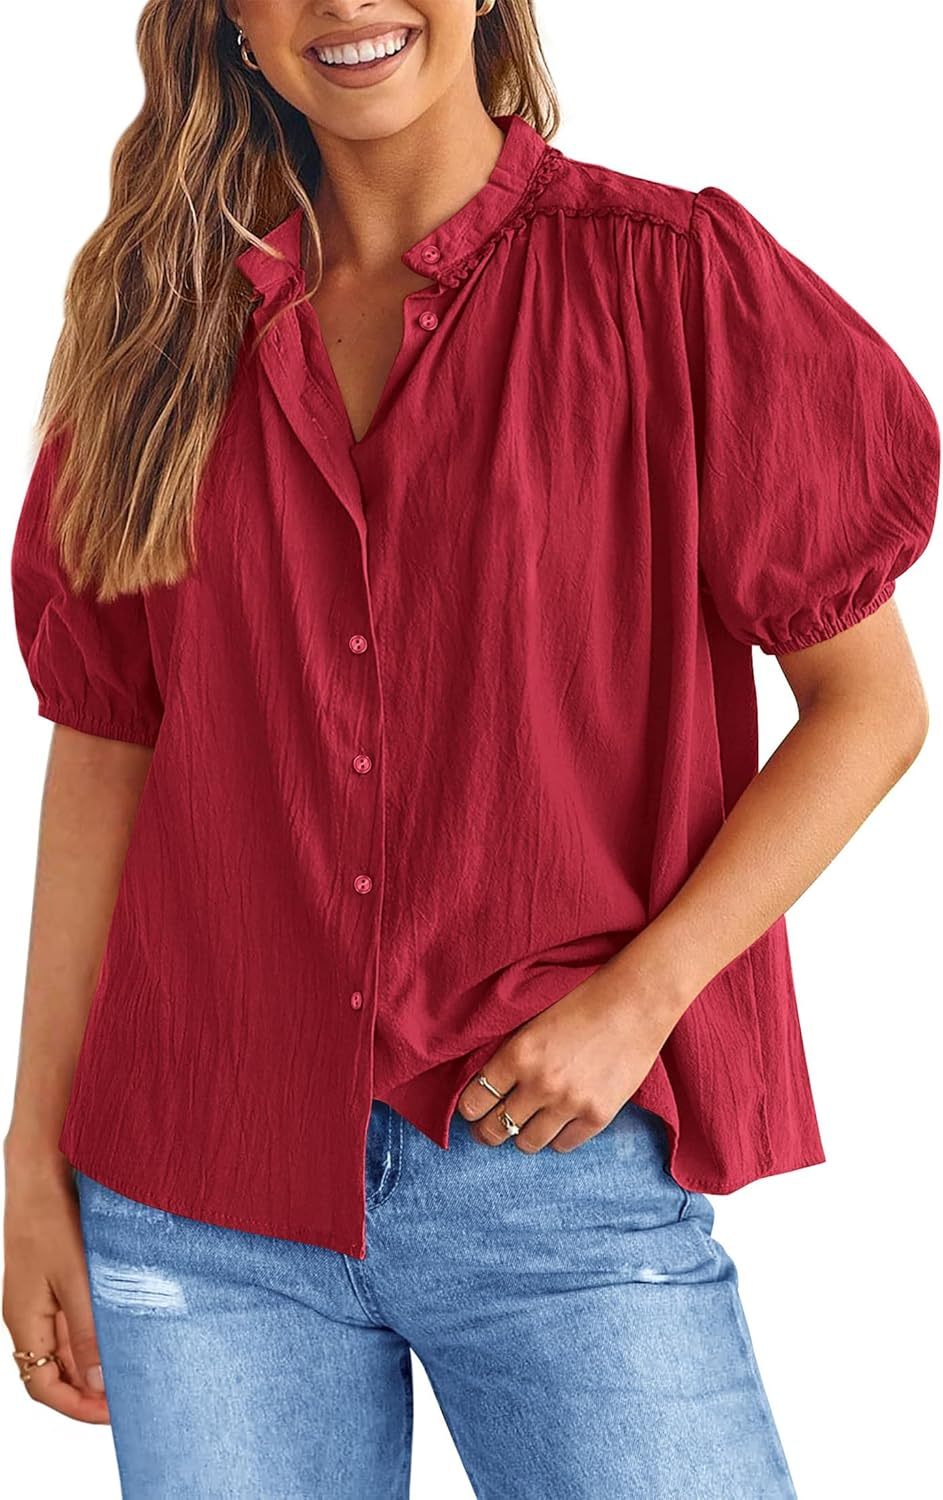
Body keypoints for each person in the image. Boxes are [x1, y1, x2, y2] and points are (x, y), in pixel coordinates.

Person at [3, 1, 938, 1495]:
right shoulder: (162, 334)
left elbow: (871, 705)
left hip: (553, 1172)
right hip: (194, 1185)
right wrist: (30, 1160)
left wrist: (639, 1001)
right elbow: (107, 747)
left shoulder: (668, 281)